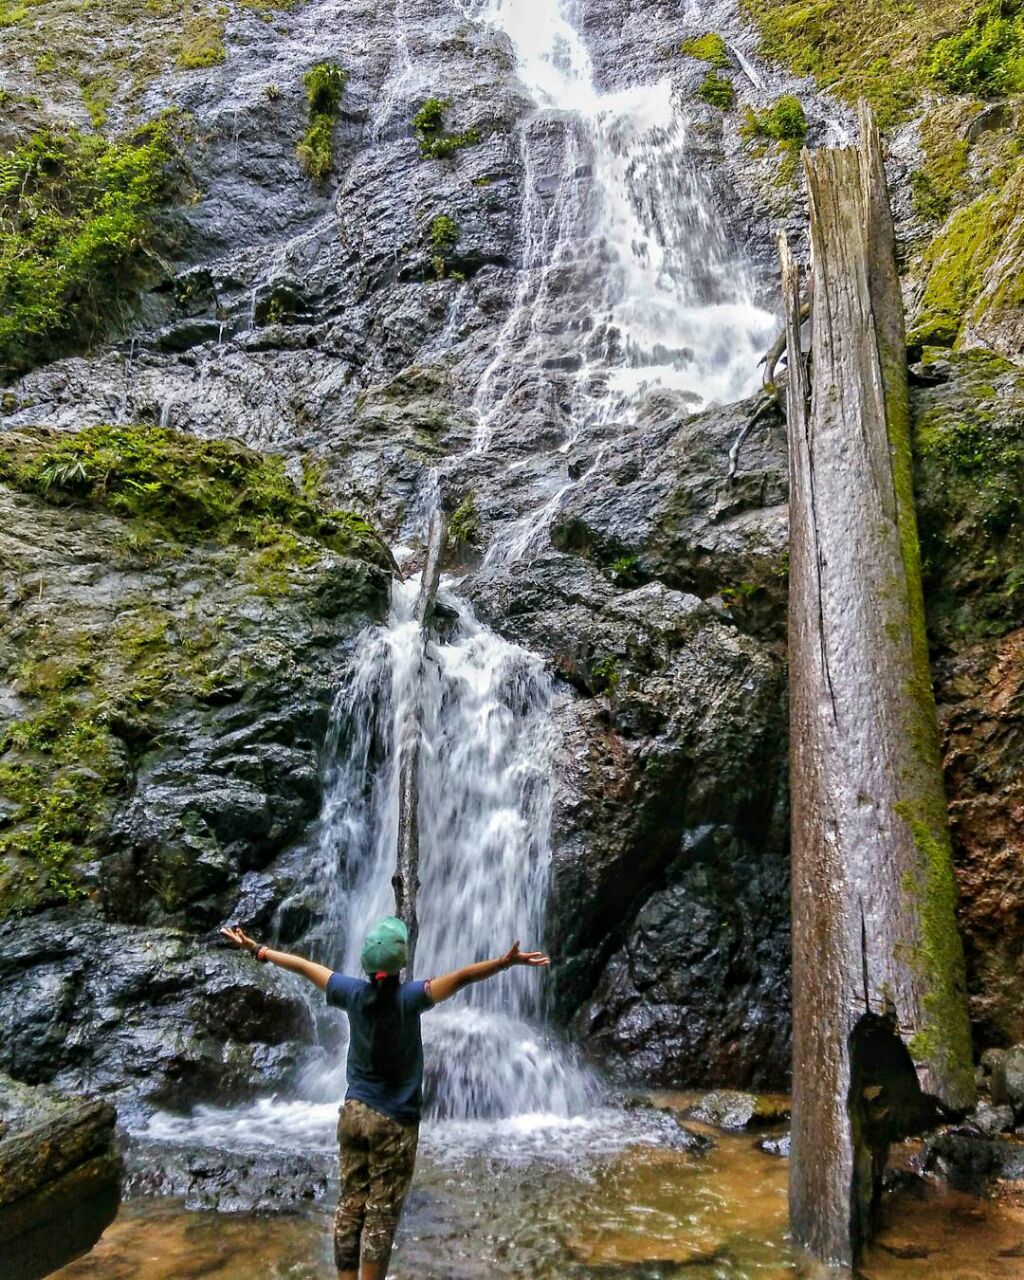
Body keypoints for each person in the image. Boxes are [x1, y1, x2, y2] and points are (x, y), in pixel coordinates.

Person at [220, 916, 549, 1279]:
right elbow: (463, 977)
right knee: (381, 1211)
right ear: (400, 965)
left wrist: (259, 950)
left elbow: (302, 966)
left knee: (350, 1204)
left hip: (353, 1112)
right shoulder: (411, 998)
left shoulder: (349, 992)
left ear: (365, 963)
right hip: (393, 1120)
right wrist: (504, 962)